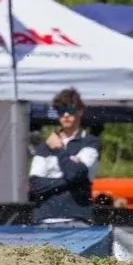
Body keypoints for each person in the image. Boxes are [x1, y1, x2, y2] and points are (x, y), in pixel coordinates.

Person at [28, 88, 100, 223]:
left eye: (70, 110)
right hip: (44, 219)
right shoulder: (45, 145)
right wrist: (73, 180)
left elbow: (74, 173)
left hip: (77, 219)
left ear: (80, 111)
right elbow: (36, 185)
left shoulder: (90, 142)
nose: (66, 115)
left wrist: (59, 149)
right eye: (61, 111)